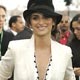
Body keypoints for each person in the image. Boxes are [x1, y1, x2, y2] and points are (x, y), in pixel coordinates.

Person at [0, 0, 75, 80]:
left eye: (46, 17)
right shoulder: (15, 48)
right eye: (35, 18)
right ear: (29, 23)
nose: (41, 22)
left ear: (53, 21)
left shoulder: (64, 52)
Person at [69, 14, 80, 80]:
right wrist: (73, 71)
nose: (75, 32)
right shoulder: (71, 46)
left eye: (78, 29)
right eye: (73, 29)